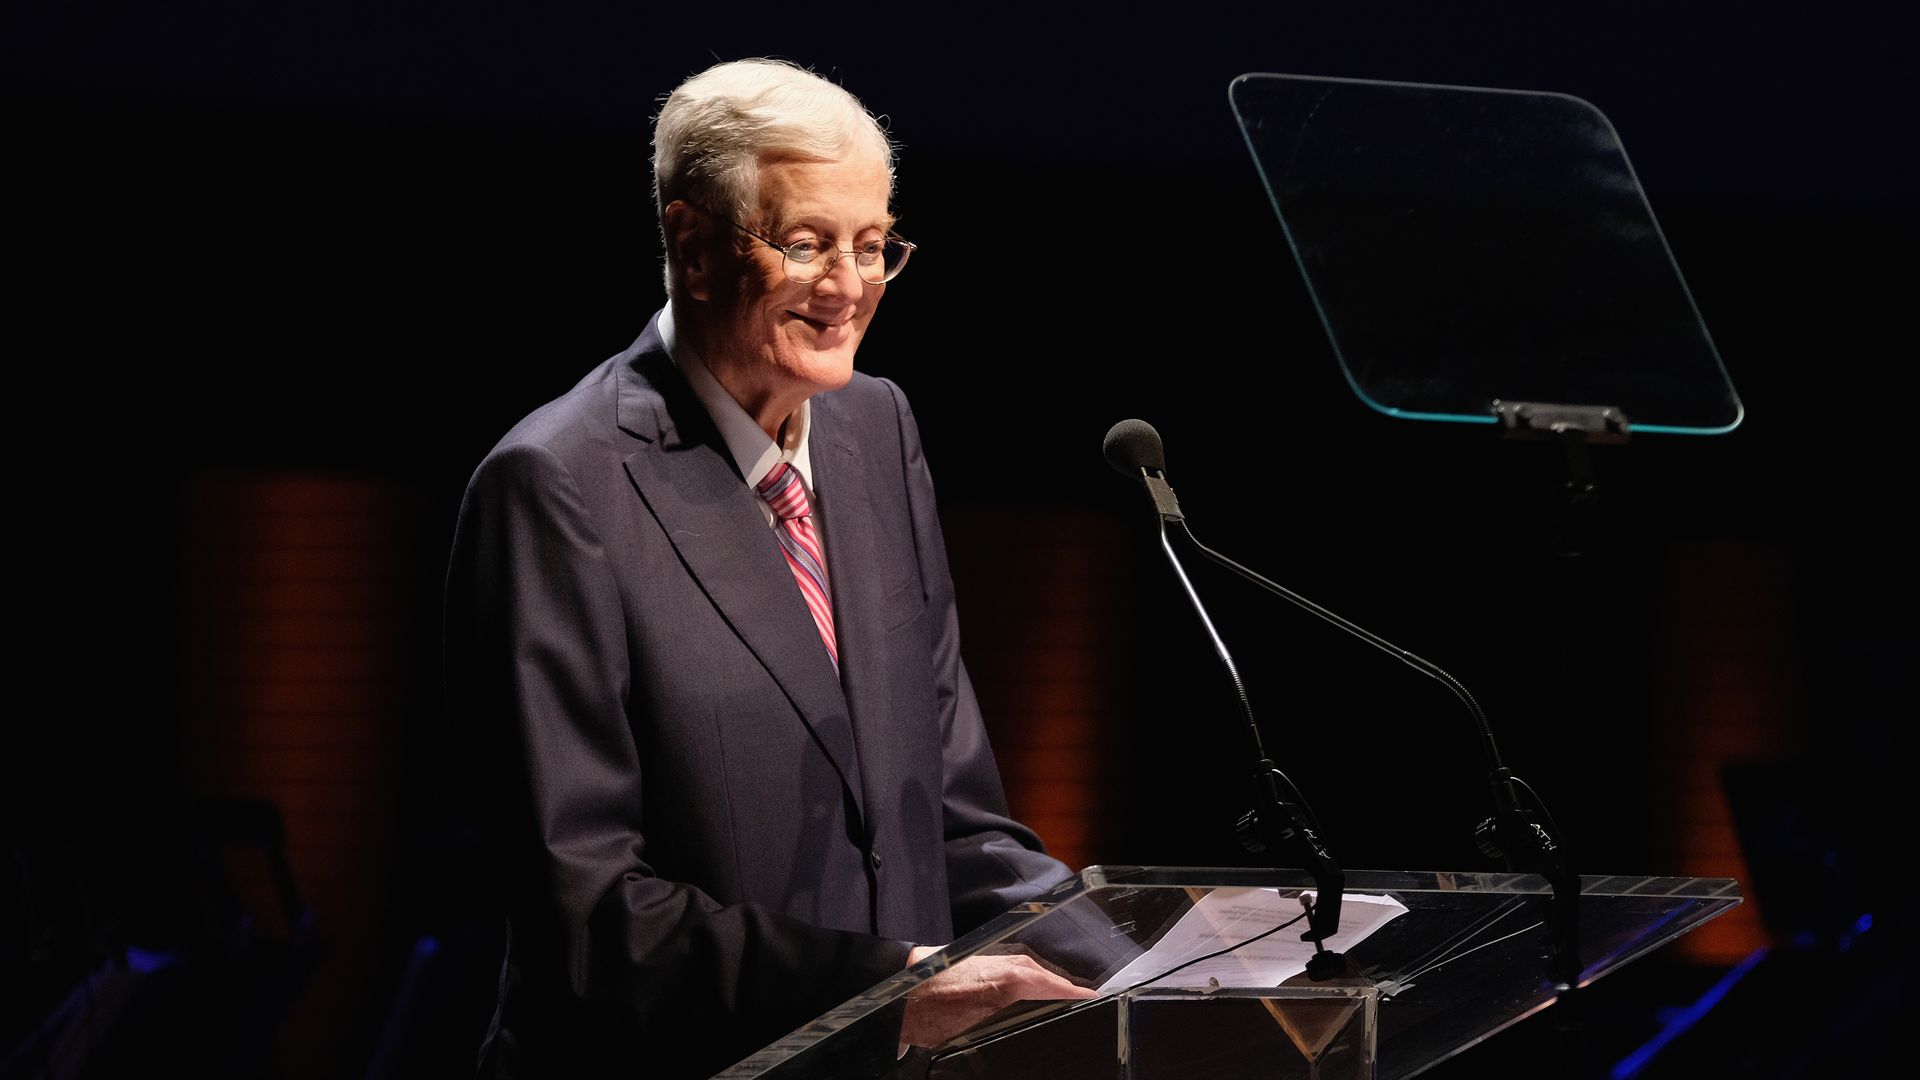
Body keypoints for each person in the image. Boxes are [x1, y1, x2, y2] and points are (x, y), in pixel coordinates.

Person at [444, 59, 1092, 1078]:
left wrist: (1162, 962)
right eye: (806, 244)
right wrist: (893, 992)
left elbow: (950, 824)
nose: (847, 287)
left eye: (873, 246)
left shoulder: (875, 429)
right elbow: (589, 914)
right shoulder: (557, 486)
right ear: (692, 246)